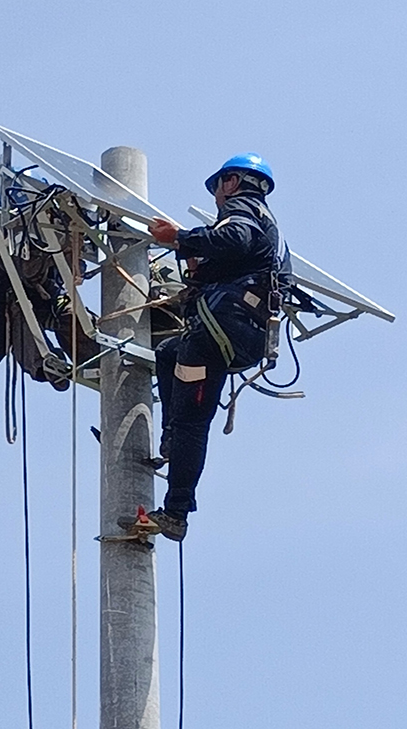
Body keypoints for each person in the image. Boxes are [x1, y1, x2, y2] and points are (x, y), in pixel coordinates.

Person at [142, 153, 291, 541]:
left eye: (219, 189)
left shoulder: (242, 210)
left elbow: (234, 239)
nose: (218, 198)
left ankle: (175, 512)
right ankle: (172, 437)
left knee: (192, 421)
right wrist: (198, 268)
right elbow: (239, 261)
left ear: (232, 182)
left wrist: (179, 238)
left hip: (220, 329)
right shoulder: (272, 231)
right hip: (245, 335)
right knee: (168, 353)